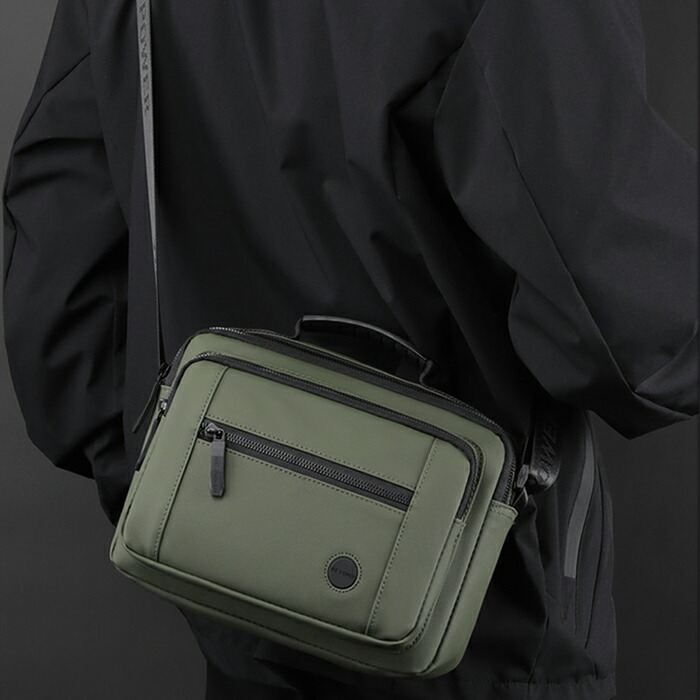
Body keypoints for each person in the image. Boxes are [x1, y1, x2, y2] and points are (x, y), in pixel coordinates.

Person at [3, 1, 696, 699]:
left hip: (241, 606)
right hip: (480, 623)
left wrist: (213, 508)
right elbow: (638, 323)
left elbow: (61, 307)